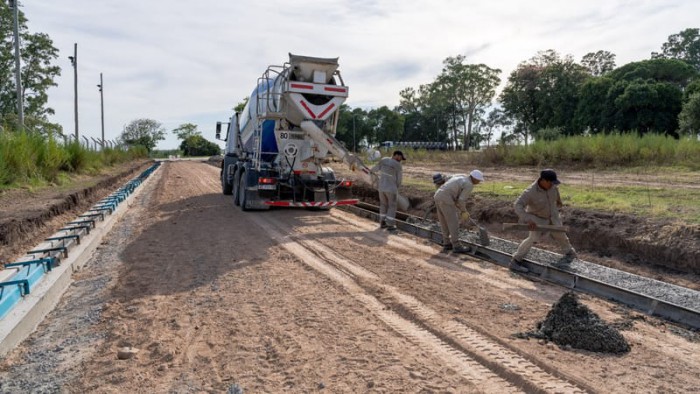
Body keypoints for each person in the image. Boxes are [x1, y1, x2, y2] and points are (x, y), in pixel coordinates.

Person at [510, 169, 577, 273]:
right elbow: (517, 205)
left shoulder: (553, 186)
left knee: (560, 234)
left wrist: (559, 204)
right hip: (537, 218)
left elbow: (556, 198)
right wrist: (528, 219)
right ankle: (516, 261)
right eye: (550, 182)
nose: (552, 185)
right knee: (533, 238)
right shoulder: (530, 192)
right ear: (544, 181)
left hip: (553, 216)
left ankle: (569, 252)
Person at [433, 169, 484, 253]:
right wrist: (463, 211)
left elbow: (447, 182)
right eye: (478, 180)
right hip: (446, 199)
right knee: (453, 222)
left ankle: (446, 243)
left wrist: (454, 200)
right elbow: (461, 200)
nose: (479, 182)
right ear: (474, 178)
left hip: (438, 195)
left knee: (444, 222)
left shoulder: (460, 176)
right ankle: (456, 246)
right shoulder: (469, 185)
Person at [370, 150, 405, 231]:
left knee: (383, 205)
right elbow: (399, 180)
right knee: (392, 206)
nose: (401, 159)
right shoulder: (398, 165)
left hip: (381, 188)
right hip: (391, 189)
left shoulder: (384, 160)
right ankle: (390, 224)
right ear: (396, 155)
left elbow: (373, 169)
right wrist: (396, 188)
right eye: (400, 157)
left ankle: (382, 222)